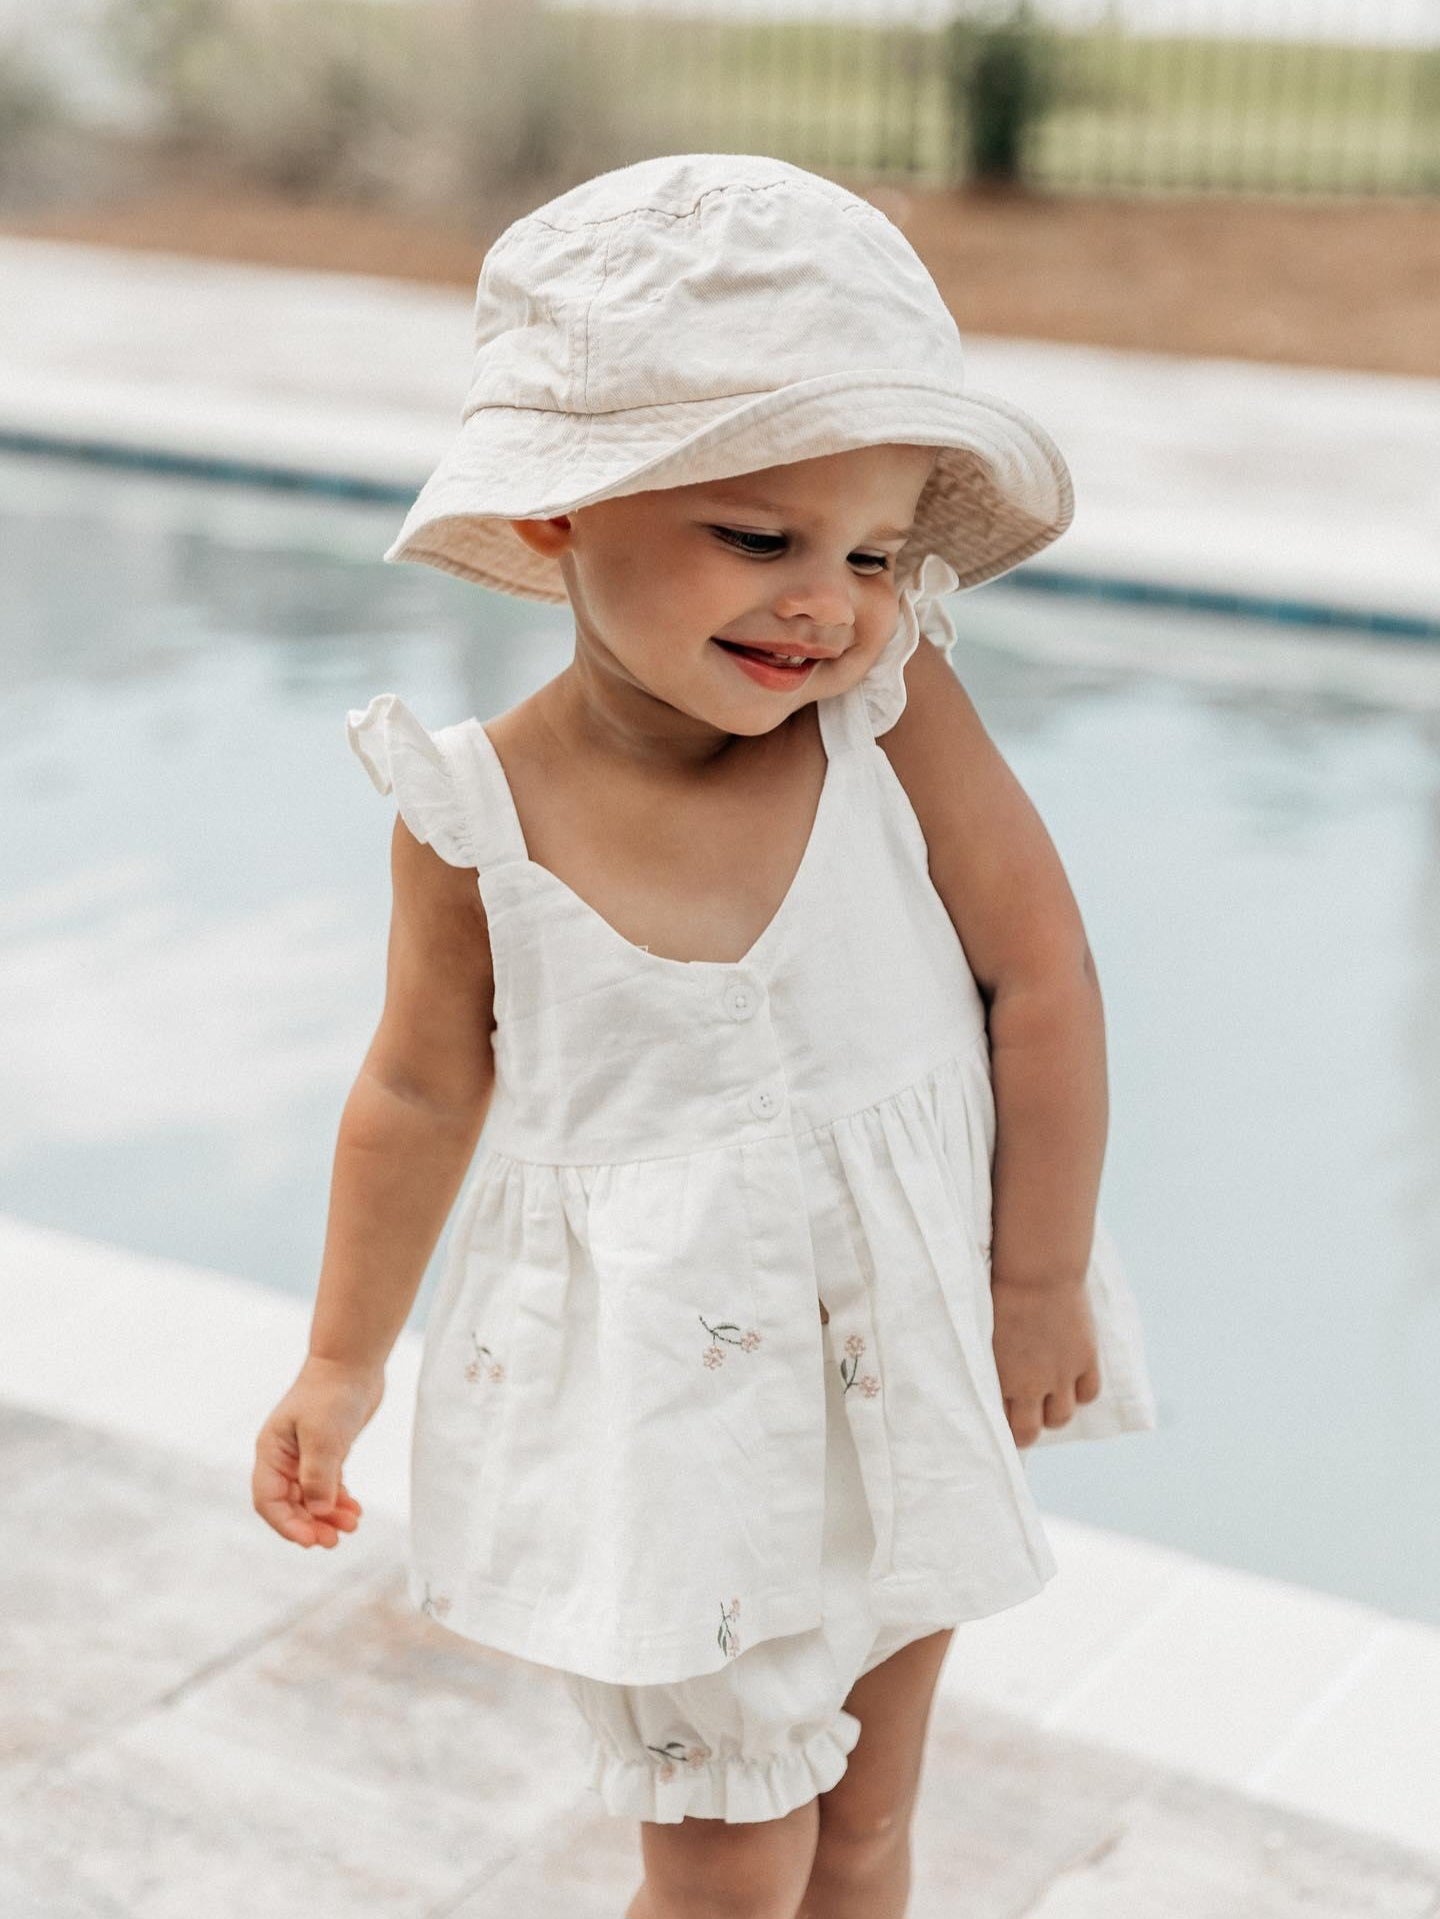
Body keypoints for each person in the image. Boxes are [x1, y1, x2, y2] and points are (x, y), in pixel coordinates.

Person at [252, 152, 1159, 1919]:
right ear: (558, 515)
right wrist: (344, 1363)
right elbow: (421, 1088)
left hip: (908, 1360)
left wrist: (1037, 1282)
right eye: (759, 539)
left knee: (874, 1827)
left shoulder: (886, 710)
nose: (826, 602)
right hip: (675, 1439)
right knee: (736, 1867)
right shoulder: (476, 817)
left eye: (874, 552)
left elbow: (1040, 972)